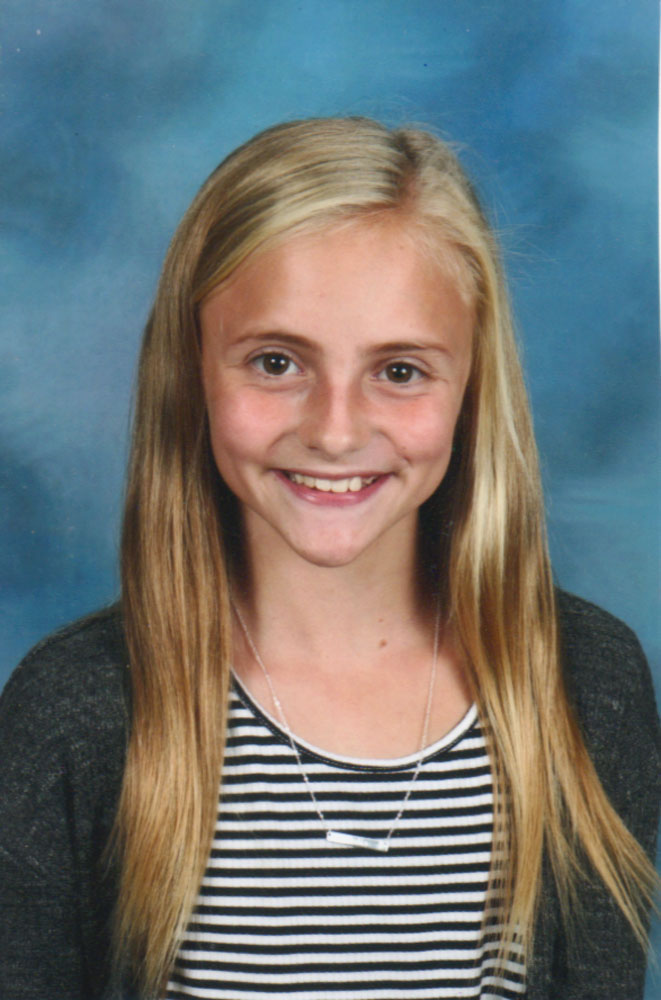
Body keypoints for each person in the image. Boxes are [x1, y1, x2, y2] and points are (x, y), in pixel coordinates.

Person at [0, 117, 659, 1000]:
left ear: (471, 387)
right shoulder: (73, 712)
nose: (335, 431)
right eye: (276, 362)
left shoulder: (583, 685)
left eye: (399, 371)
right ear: (191, 370)